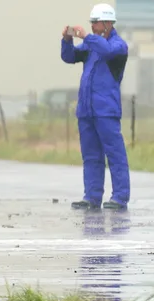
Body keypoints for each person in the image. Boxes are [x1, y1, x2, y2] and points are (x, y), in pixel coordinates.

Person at [61, 3, 131, 211]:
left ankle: (120, 197)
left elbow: (107, 51)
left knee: (115, 155)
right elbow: (69, 57)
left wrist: (86, 37)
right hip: (87, 110)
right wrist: (66, 40)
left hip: (106, 111)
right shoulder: (90, 45)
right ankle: (91, 196)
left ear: (108, 24)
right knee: (91, 156)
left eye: (96, 23)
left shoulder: (119, 46)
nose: (92, 26)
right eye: (92, 23)